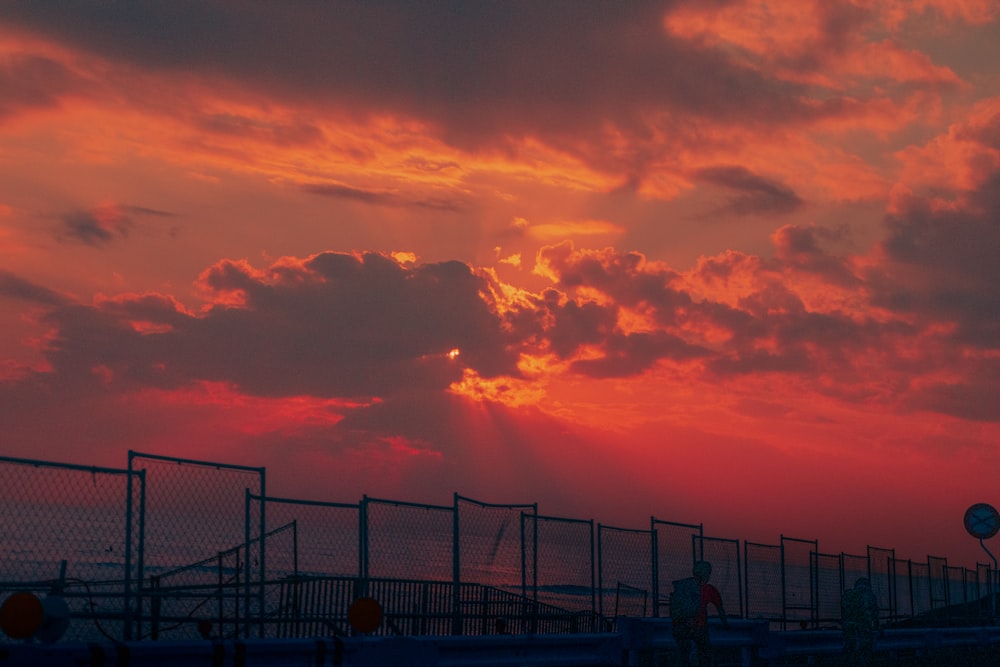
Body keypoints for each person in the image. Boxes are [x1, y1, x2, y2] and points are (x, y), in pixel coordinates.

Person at [671, 560, 728, 667]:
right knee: (704, 656)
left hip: (680, 627)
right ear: (707, 574)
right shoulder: (709, 589)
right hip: (699, 629)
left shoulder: (683, 586)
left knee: (683, 657)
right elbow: (720, 610)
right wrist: (726, 624)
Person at [841, 577, 879, 667]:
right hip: (863, 628)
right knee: (865, 652)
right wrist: (877, 626)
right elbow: (874, 613)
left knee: (849, 651)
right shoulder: (869, 595)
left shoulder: (849, 594)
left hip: (848, 627)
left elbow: (844, 612)